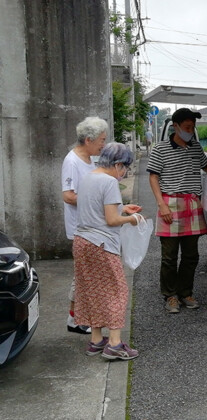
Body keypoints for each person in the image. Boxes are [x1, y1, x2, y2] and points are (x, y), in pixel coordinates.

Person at [147, 108, 207, 314]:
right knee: (169, 256)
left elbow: (206, 167)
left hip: (192, 203)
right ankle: (170, 295)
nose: (191, 131)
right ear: (175, 126)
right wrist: (161, 204)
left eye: (193, 127)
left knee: (191, 255)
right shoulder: (161, 149)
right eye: (187, 127)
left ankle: (185, 293)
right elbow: (153, 177)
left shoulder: (194, 147)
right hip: (170, 203)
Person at [73, 142, 142, 360]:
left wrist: (123, 208)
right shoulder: (110, 182)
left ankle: (95, 340)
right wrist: (132, 219)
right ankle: (114, 344)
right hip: (101, 244)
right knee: (116, 291)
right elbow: (111, 220)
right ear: (118, 164)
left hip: (81, 242)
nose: (124, 173)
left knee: (92, 291)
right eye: (125, 168)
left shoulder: (88, 177)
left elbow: (96, 207)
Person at [61, 116, 107, 334]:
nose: (103, 145)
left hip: (92, 225)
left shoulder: (90, 159)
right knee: (83, 275)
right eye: (101, 140)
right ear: (88, 140)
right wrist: (97, 200)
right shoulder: (72, 161)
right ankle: (77, 319)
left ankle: (78, 318)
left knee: (84, 274)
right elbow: (68, 196)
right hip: (81, 228)